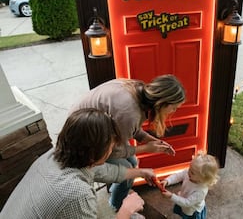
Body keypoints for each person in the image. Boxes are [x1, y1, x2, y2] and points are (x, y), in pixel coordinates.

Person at [1, 108, 155, 219]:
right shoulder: (77, 195)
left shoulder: (55, 156)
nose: (113, 149)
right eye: (111, 146)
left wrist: (142, 172)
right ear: (95, 153)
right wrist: (125, 211)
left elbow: (105, 171)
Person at [69, 74, 186, 210]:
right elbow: (113, 151)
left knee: (133, 162)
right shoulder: (129, 112)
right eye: (174, 108)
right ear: (163, 104)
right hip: (82, 139)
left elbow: (131, 129)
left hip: (89, 126)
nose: (174, 112)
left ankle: (117, 189)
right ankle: (116, 205)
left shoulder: (139, 89)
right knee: (129, 171)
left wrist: (152, 141)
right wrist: (146, 148)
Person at [160, 151, 220, 219]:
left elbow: (187, 203)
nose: (188, 171)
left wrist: (171, 196)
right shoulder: (189, 174)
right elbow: (178, 176)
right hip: (183, 200)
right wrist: (167, 181)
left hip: (192, 210)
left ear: (202, 178)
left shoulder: (201, 191)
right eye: (189, 168)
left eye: (192, 172)